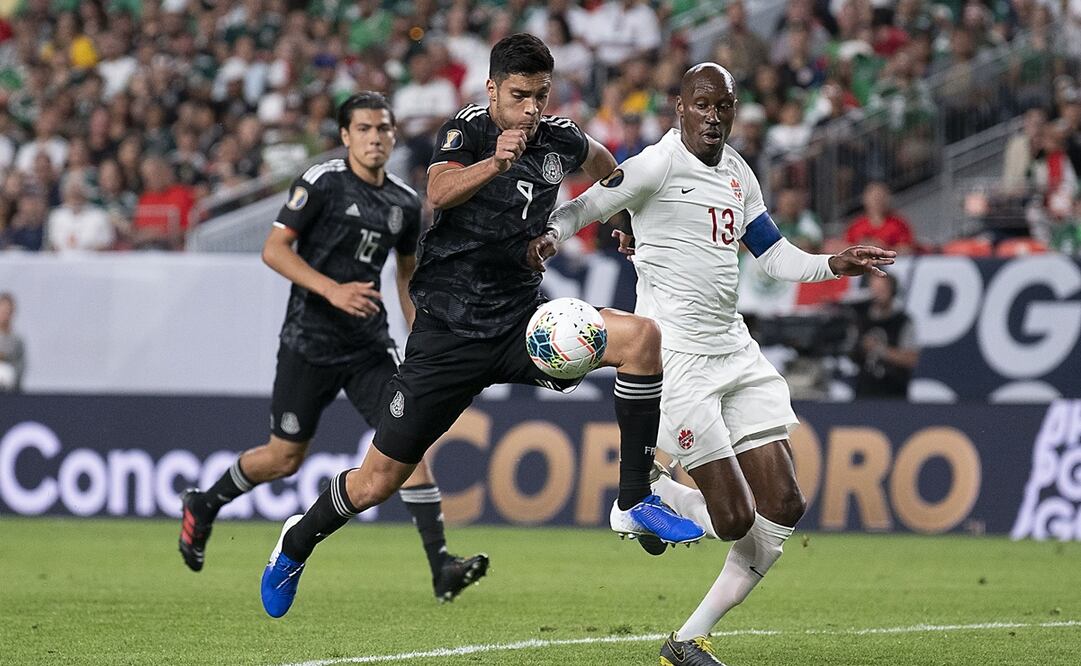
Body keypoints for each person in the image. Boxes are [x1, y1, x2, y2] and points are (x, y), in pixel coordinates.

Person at [258, 34, 704, 619]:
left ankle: (633, 499)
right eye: (519, 95)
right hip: (447, 331)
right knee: (377, 482)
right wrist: (496, 161)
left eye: (541, 95)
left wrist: (620, 218)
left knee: (642, 340)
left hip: (521, 323)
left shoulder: (559, 138)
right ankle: (295, 543)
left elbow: (606, 168)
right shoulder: (465, 131)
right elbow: (438, 193)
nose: (531, 108)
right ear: (491, 89)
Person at [541, 63, 895, 665]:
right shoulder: (656, 164)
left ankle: (687, 640)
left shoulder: (738, 173)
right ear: (679, 107)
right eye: (702, 105)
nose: (713, 116)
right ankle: (648, 494)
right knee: (734, 520)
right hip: (677, 362)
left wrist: (834, 263)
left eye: (723, 107)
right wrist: (546, 239)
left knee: (784, 504)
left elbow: (774, 256)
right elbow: (583, 208)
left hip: (735, 351)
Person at [178, 92, 490, 603]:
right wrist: (333, 290)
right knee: (284, 459)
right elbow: (273, 250)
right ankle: (206, 503)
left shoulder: (405, 202)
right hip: (309, 341)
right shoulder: (322, 182)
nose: (375, 138)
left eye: (384, 129)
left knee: (408, 445)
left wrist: (422, 339)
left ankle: (441, 566)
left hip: (368, 346)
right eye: (364, 129)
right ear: (346, 136)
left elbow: (406, 276)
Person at [851, 273, 919, 398]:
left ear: (892, 291)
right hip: (864, 392)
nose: (878, 294)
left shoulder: (902, 321)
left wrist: (879, 349)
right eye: (874, 289)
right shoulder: (861, 320)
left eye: (882, 289)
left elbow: (911, 359)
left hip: (894, 393)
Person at [0, 292, 26, 392]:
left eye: (7, 311)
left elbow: (20, 368)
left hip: (9, 390)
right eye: (2, 310)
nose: (4, 315)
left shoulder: (17, 341)